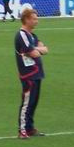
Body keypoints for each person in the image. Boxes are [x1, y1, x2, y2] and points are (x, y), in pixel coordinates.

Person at [16, 7, 48, 139]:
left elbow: (45, 49)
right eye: (34, 19)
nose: (37, 21)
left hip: (37, 72)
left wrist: (36, 49)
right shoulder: (21, 35)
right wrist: (37, 49)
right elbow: (34, 53)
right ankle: (22, 130)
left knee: (33, 102)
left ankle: (29, 128)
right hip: (28, 74)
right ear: (27, 19)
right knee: (26, 103)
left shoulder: (33, 36)